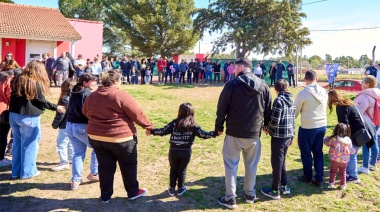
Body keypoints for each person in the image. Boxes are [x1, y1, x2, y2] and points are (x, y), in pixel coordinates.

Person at [82, 70, 154, 202]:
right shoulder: (120, 95)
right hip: (121, 138)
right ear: (115, 81)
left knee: (104, 167)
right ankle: (132, 192)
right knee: (128, 165)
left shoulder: (92, 96)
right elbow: (137, 113)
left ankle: (105, 196)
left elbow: (85, 112)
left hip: (97, 138)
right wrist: (148, 126)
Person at [215, 58, 272, 209]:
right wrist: (266, 125)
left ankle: (230, 198)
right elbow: (268, 110)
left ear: (240, 67)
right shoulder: (263, 85)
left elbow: (222, 108)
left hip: (234, 132)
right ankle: (250, 194)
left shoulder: (232, 85)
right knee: (251, 165)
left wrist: (218, 127)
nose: (233, 71)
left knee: (230, 165)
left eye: (234, 68)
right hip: (254, 134)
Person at [9, 60, 65, 179]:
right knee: (29, 145)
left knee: (17, 144)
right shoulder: (35, 82)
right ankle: (28, 172)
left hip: (14, 115)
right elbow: (41, 101)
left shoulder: (18, 79)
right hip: (28, 117)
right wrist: (56, 107)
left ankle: (16, 172)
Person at [148, 103, 216, 196]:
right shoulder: (193, 125)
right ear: (192, 113)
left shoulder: (175, 123)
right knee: (182, 170)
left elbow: (163, 131)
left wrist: (152, 131)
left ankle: (171, 188)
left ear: (180, 112)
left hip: (173, 150)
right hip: (186, 152)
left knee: (173, 169)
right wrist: (214, 133)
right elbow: (203, 134)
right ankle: (180, 188)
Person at [261, 79, 295, 200]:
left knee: (277, 162)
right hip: (288, 135)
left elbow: (275, 120)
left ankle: (275, 190)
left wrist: (267, 129)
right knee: (282, 161)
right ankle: (285, 186)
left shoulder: (278, 100)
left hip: (278, 137)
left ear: (276, 89)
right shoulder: (292, 99)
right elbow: (293, 120)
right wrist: (292, 135)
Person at [294, 70, 327, 188]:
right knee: (318, 152)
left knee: (306, 153)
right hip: (322, 125)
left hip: (308, 126)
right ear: (316, 79)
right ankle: (319, 178)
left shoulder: (303, 93)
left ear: (305, 79)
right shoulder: (324, 91)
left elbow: (295, 112)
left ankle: (307, 176)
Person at [66, 73, 99, 190]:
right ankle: (94, 173)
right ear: (84, 82)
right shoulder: (87, 94)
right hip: (81, 126)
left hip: (70, 126)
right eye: (92, 82)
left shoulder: (74, 91)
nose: (95, 84)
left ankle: (75, 180)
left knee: (78, 153)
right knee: (98, 148)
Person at [327, 89, 368, 183]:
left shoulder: (340, 107)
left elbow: (344, 124)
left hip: (354, 133)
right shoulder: (347, 102)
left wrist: (342, 138)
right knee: (352, 153)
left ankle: (353, 175)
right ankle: (349, 172)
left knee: (352, 154)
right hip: (360, 130)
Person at [354, 75, 380, 174]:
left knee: (366, 144)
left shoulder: (364, 96)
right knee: (374, 142)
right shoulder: (377, 93)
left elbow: (358, 112)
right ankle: (372, 164)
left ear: (367, 84)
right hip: (376, 121)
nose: (361, 83)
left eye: (363, 82)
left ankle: (365, 167)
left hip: (368, 123)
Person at [51, 79, 76, 171]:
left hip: (65, 125)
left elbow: (61, 114)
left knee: (61, 143)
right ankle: (71, 157)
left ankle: (64, 162)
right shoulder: (75, 97)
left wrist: (55, 124)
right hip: (72, 123)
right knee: (70, 142)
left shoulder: (64, 99)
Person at [324, 123, 356, 190]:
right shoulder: (348, 141)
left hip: (334, 159)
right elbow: (352, 151)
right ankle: (343, 185)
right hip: (344, 160)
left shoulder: (334, 139)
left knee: (333, 171)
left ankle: (331, 183)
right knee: (343, 172)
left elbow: (326, 143)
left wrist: (326, 138)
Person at [0, 70, 14, 166]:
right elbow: (9, 95)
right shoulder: (6, 82)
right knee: (2, 135)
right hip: (3, 110)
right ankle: (1, 158)